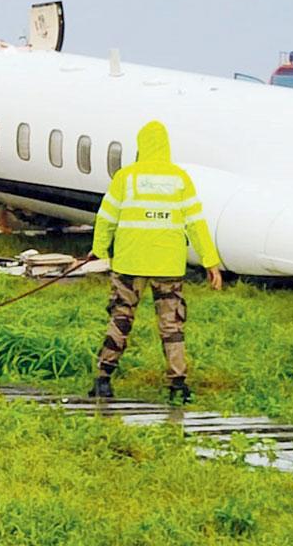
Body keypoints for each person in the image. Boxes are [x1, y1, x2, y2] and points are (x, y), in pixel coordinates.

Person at [88, 120, 224, 404]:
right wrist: (211, 262)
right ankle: (177, 384)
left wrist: (99, 250)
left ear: (141, 147)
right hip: (167, 266)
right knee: (172, 325)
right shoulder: (180, 179)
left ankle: (103, 379)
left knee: (121, 318)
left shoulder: (126, 177)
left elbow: (107, 217)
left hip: (130, 263)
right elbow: (196, 224)